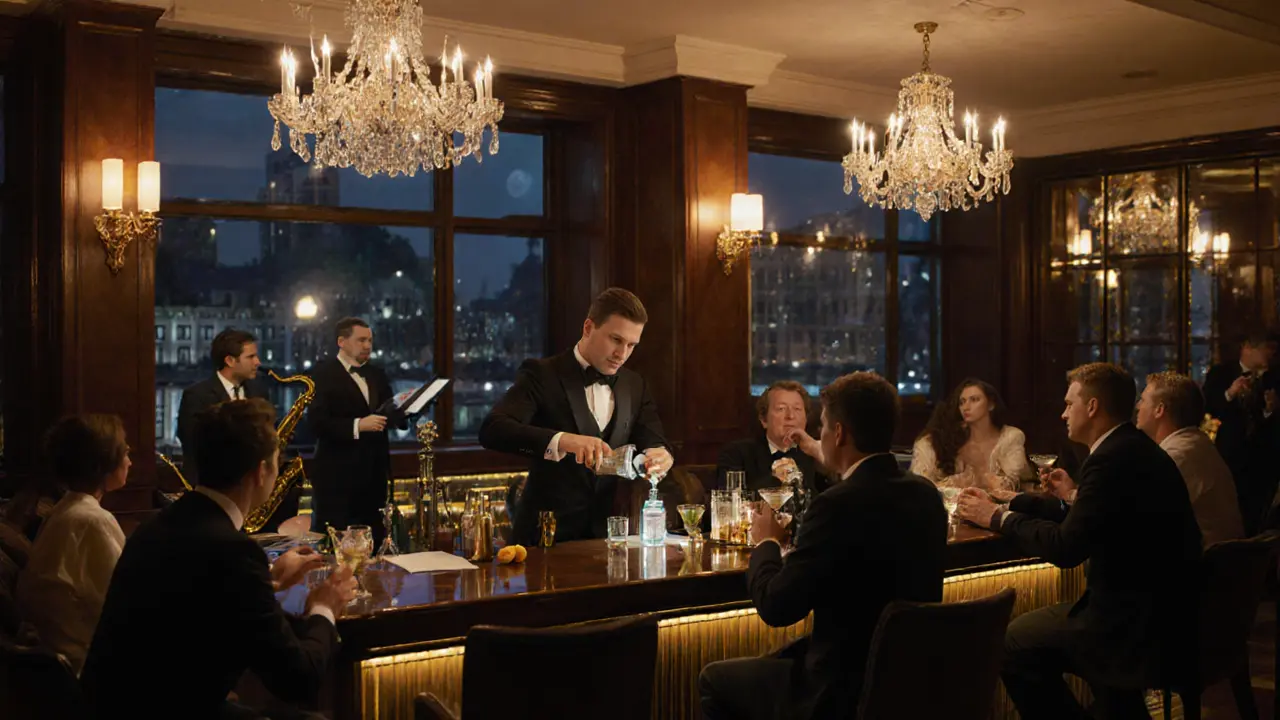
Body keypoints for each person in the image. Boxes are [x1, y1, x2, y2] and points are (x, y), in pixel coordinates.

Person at [80, 399, 357, 720]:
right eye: (277, 460)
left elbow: (197, 605)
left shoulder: (159, 524)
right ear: (261, 471)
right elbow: (298, 679)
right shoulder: (233, 550)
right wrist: (326, 605)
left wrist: (271, 581)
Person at [956, 363, 1201, 720]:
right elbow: (1091, 517)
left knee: (1010, 642)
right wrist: (1010, 502)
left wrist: (995, 518)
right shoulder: (1130, 448)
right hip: (1161, 613)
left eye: (1070, 404)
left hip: (1127, 626)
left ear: (1093, 407)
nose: (1063, 412)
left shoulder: (1111, 458)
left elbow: (1066, 547)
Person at [699, 372, 948, 720]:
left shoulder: (835, 505)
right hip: (912, 680)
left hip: (837, 692)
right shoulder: (926, 496)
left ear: (840, 432)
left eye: (824, 426)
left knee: (715, 679)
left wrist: (767, 541)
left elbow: (777, 606)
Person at [480, 288, 673, 545]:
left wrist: (661, 455)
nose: (622, 353)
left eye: (631, 345)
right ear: (588, 327)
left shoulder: (634, 384)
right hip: (542, 539)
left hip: (605, 540)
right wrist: (563, 441)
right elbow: (493, 429)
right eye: (615, 340)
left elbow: (655, 439)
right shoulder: (542, 374)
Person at [16, 415, 130, 675]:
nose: (130, 460)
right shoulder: (90, 520)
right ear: (103, 462)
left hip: (66, 658)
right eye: (125, 451)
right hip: (87, 668)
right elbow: (124, 605)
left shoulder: (67, 508)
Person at [307, 317, 396, 538]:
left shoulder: (377, 374)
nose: (367, 346)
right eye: (361, 340)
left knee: (375, 542)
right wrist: (358, 425)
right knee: (337, 543)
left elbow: (388, 414)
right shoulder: (322, 374)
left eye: (370, 341)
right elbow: (316, 423)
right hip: (337, 478)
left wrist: (409, 409)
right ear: (341, 342)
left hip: (374, 476)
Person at [1136, 371, 1244, 547]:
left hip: (1204, 568)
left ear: (1159, 410)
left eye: (1143, 400)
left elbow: (1137, 512)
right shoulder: (1192, 443)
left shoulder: (1179, 454)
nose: (1138, 406)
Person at [1202, 329, 1278, 535]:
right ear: (1247, 348)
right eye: (1267, 348)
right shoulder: (1221, 374)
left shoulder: (1275, 378)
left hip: (1264, 461)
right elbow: (1207, 406)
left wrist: (1270, 410)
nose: (1272, 354)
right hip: (1230, 457)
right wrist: (1230, 394)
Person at [909, 378, 1033, 494]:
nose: (966, 407)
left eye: (974, 400)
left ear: (991, 404)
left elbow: (1014, 486)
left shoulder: (1010, 437)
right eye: (962, 402)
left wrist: (979, 470)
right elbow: (921, 485)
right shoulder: (953, 439)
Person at [177, 329, 268, 484]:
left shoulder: (259, 391)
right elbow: (192, 442)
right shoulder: (197, 395)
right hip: (212, 486)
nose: (257, 362)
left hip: (253, 486)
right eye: (251, 357)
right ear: (230, 361)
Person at [715, 381, 829, 497]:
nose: (790, 416)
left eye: (797, 409)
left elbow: (837, 498)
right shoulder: (736, 454)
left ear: (806, 419)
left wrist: (819, 455)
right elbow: (731, 501)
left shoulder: (816, 453)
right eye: (781, 409)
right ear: (764, 420)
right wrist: (778, 477)